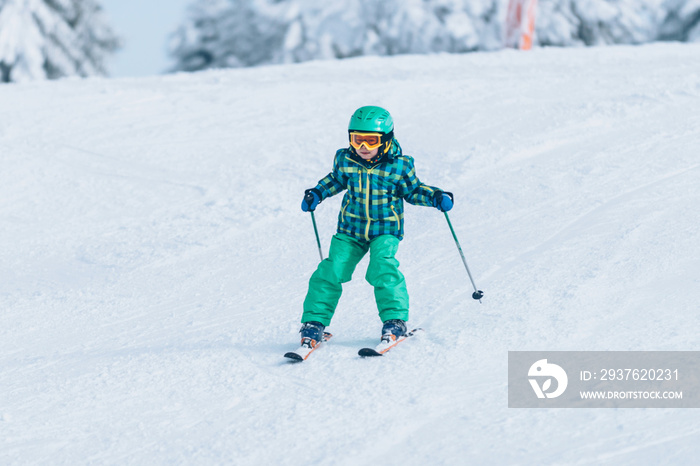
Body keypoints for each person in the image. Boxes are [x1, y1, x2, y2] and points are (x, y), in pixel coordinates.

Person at [298, 106, 453, 349]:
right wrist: (317, 193)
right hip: (351, 229)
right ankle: (314, 323)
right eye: (357, 139)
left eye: (371, 141)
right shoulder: (345, 159)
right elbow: (336, 180)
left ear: (386, 139)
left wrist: (435, 197)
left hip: (386, 229)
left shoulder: (400, 166)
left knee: (383, 268)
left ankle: (394, 320)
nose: (363, 147)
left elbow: (412, 191)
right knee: (331, 270)